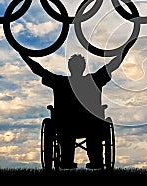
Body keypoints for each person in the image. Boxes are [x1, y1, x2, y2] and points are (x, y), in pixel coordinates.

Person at [20, 39, 135, 169]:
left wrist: (23, 53)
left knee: (68, 130)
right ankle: (96, 160)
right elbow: (114, 64)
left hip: (66, 125)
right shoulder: (93, 80)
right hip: (89, 124)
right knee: (90, 128)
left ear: (70, 67)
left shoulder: (60, 82)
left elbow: (39, 70)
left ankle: (67, 160)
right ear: (83, 67)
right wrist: (128, 45)